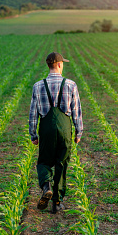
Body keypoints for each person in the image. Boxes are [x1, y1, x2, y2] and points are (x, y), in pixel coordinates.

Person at [29, 52, 83, 214]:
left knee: (44, 162)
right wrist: (78, 132)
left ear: (48, 65)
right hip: (65, 129)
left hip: (46, 129)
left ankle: (46, 186)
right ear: (59, 64)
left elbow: (33, 113)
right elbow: (76, 111)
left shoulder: (38, 86)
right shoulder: (71, 84)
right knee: (61, 163)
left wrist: (33, 134)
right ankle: (57, 203)